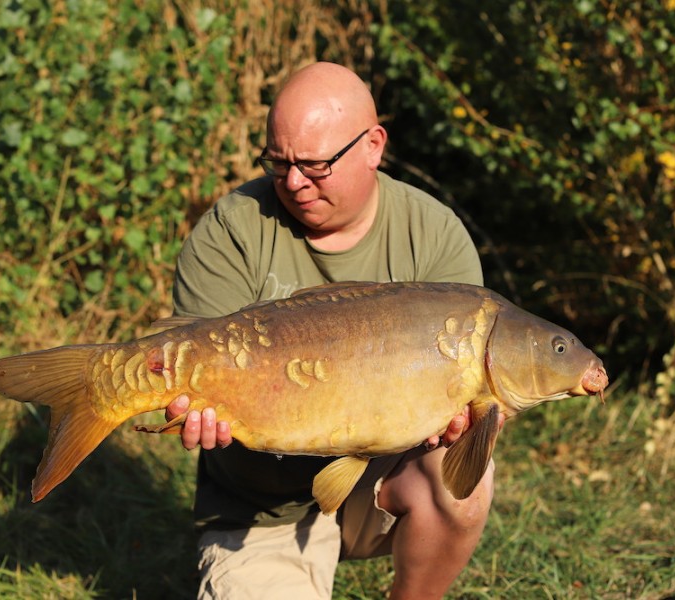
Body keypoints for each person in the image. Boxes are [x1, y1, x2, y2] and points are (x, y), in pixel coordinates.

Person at [164, 61, 501, 600]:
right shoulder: (233, 229)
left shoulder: (433, 236)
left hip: (382, 483)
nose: (293, 182)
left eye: (315, 165)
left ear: (373, 145)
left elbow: (472, 413)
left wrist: (465, 422)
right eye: (278, 163)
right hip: (262, 507)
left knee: (467, 480)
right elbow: (188, 361)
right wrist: (192, 406)